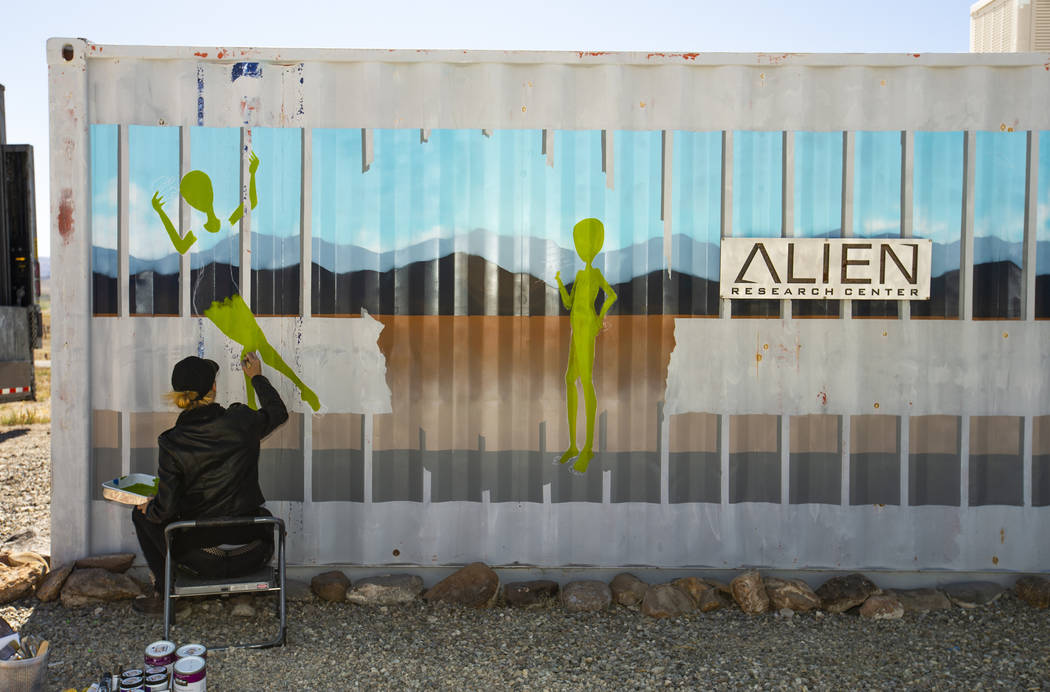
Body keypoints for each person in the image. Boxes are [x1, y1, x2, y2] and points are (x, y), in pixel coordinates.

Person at [131, 351, 288, 615]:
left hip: (200, 558)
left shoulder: (172, 442)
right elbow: (277, 412)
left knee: (142, 516)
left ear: (178, 394)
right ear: (213, 388)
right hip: (252, 551)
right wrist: (257, 377)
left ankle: (165, 596)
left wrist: (150, 507)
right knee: (261, 515)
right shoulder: (241, 422)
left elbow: (164, 511)